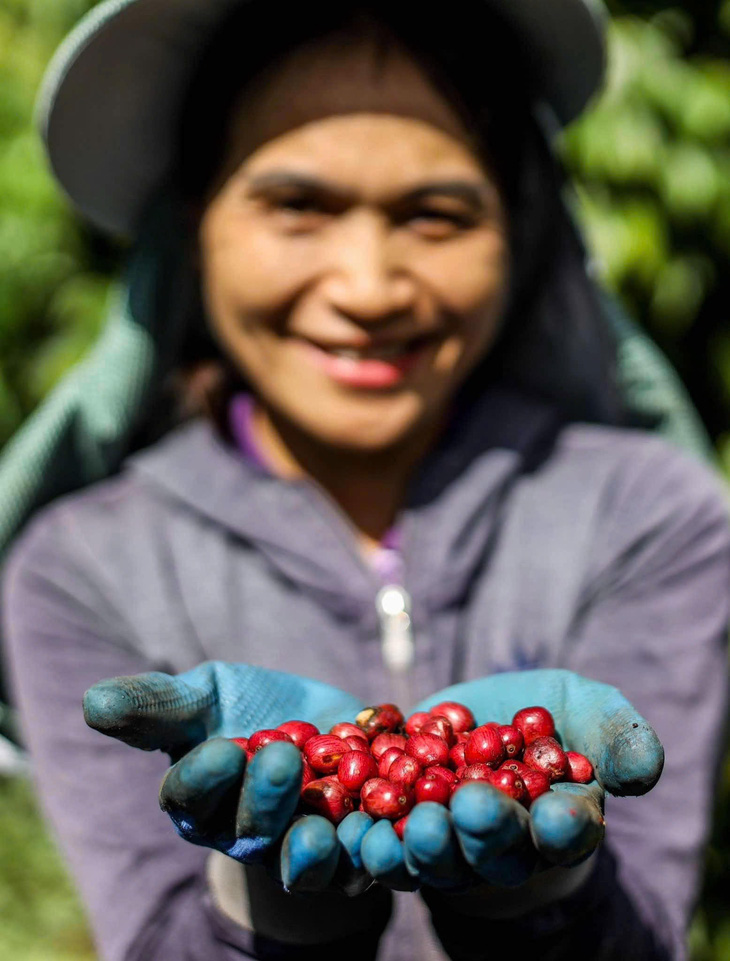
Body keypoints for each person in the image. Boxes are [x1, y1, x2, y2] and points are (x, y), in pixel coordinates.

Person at [1, 1, 728, 959]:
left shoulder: (653, 517)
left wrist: (538, 895)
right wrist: (275, 906)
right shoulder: (81, 563)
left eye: (436, 214)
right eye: (297, 206)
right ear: (195, 225)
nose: (368, 286)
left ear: (516, 231)